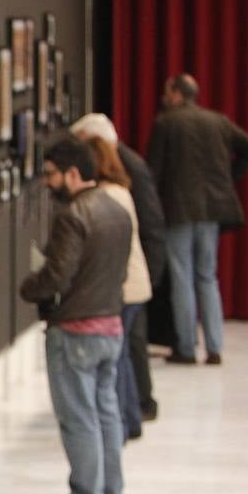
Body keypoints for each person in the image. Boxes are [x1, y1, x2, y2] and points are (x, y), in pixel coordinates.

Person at [20, 137, 133, 494]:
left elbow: (57, 275)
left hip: (75, 330)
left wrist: (29, 286)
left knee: (78, 416)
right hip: (111, 325)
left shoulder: (74, 216)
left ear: (73, 173)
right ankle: (111, 492)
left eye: (51, 174)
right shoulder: (118, 210)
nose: (47, 182)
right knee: (106, 412)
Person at [147, 73, 248, 365]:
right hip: (211, 211)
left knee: (182, 276)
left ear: (177, 95)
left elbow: (153, 171)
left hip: (177, 211)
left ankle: (185, 347)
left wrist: (151, 207)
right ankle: (214, 346)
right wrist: (227, 181)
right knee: (207, 276)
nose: (163, 98)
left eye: (167, 92)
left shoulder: (166, 123)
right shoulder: (217, 121)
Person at [71, 112, 167, 420]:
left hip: (130, 278)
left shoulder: (125, 175)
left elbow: (151, 224)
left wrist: (150, 274)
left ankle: (135, 409)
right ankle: (134, 410)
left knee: (125, 350)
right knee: (124, 350)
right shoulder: (118, 178)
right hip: (129, 277)